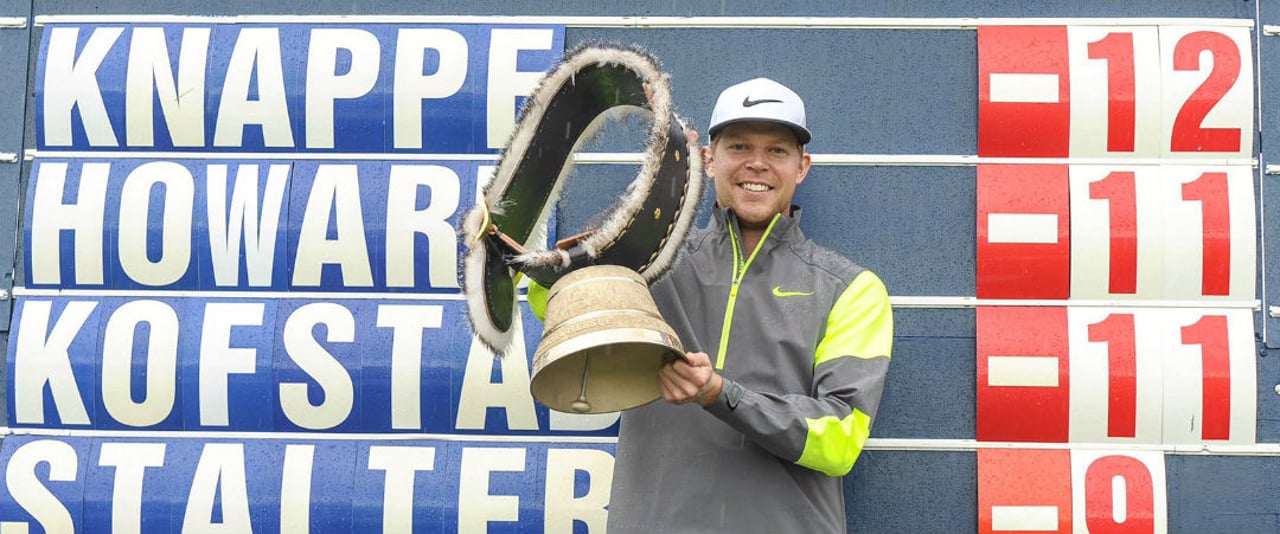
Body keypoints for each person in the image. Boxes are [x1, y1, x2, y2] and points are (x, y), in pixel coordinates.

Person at [605, 77, 894, 533]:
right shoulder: (649, 264)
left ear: (802, 167)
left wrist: (722, 396)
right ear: (708, 160)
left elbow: (839, 441)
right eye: (739, 146)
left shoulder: (852, 289)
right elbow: (557, 304)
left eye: (778, 150)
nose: (757, 164)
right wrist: (644, 209)